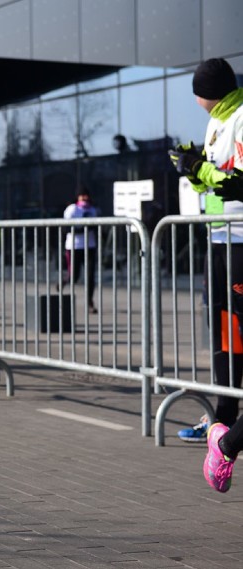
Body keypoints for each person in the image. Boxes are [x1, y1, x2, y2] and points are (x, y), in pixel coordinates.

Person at [166, 58, 243, 491]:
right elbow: (216, 182)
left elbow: (235, 179)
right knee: (226, 336)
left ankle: (227, 437)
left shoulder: (239, 116)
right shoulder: (219, 119)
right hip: (221, 240)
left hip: (240, 241)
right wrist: (192, 169)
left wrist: (202, 171)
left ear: (206, 90)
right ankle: (222, 423)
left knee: (234, 334)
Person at [62, 187, 99, 313]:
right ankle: (65, 280)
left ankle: (89, 302)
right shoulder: (72, 209)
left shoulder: (93, 210)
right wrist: (81, 229)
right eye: (82, 196)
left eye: (86, 195)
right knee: (75, 275)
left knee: (90, 276)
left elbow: (95, 226)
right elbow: (66, 228)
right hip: (74, 246)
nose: (85, 198)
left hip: (90, 246)